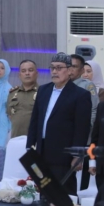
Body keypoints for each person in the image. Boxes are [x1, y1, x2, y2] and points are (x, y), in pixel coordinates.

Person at [26, 52, 92, 195]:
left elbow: (82, 128)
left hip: (64, 155)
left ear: (69, 70)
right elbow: (35, 120)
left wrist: (77, 155)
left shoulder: (80, 95)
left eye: (59, 68)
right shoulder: (43, 90)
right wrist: (29, 146)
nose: (55, 71)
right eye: (52, 67)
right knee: (43, 193)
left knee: (63, 196)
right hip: (42, 151)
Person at [7, 59, 39, 138]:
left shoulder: (43, 93)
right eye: (23, 71)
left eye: (30, 70)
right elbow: (10, 115)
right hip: (16, 138)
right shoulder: (13, 93)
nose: (27, 73)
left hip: (35, 139)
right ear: (19, 75)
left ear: (36, 73)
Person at [70, 54, 99, 127]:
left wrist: (88, 126)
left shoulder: (87, 85)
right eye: (68, 66)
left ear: (82, 70)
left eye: (74, 66)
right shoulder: (62, 84)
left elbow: (94, 108)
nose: (70, 69)